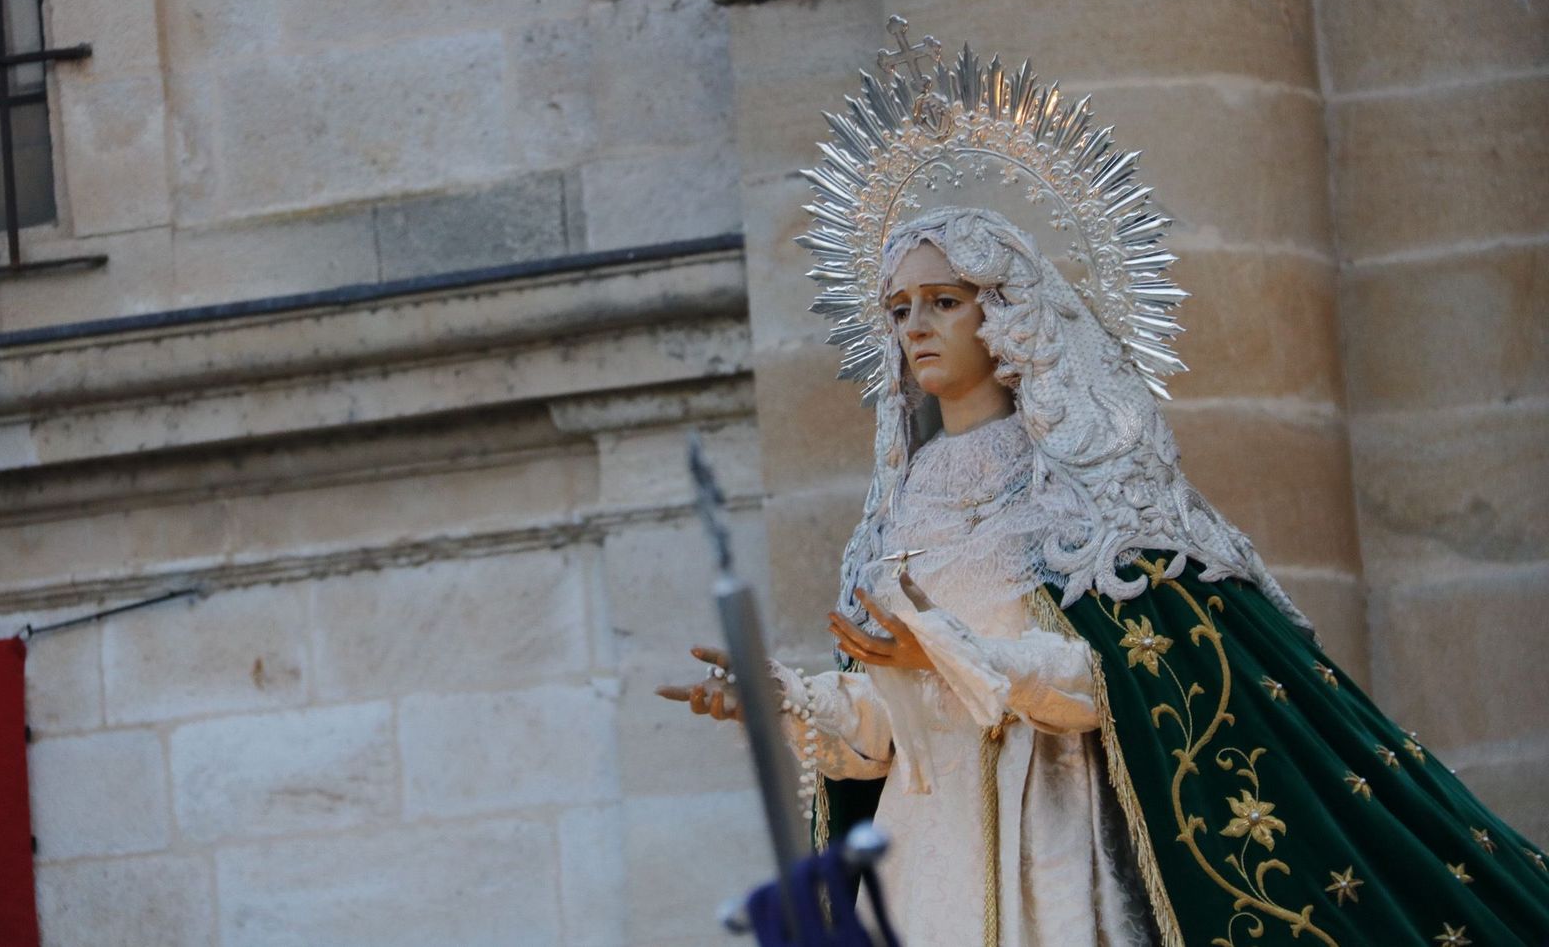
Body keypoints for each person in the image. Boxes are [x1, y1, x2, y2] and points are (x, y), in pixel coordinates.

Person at [663, 207, 1549, 946]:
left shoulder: (1081, 481)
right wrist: (785, 697)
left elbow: (1125, 675)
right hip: (924, 864)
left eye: (944, 301)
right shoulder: (898, 508)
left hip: (1052, 841)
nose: (917, 327)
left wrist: (957, 653)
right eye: (899, 309)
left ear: (1004, 312)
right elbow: (889, 732)